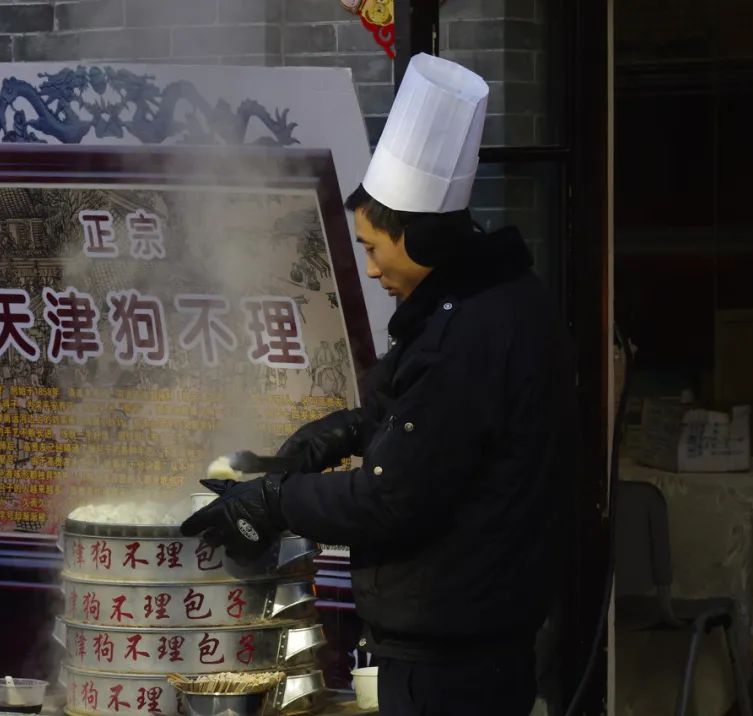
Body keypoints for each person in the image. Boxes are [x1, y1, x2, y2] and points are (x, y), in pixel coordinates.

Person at [180, 54, 577, 715]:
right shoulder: (500, 297)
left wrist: (275, 501)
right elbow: (431, 420)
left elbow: (391, 498)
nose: (369, 268)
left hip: (450, 664)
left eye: (371, 247)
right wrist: (333, 435)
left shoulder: (467, 337)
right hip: (482, 640)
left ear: (420, 238)